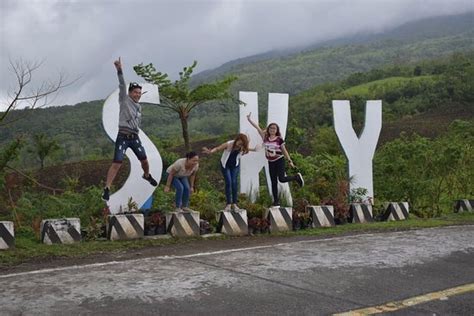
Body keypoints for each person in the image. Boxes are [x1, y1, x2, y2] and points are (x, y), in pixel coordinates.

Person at [102, 57, 158, 201]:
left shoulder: (139, 106)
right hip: (122, 136)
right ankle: (107, 188)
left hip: (134, 137)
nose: (137, 95)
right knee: (117, 163)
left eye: (139, 93)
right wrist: (119, 70)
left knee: (145, 161)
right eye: (135, 92)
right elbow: (121, 85)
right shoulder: (124, 100)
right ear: (130, 93)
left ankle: (146, 175)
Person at [246, 112, 304, 207]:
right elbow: (257, 128)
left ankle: (296, 177)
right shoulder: (265, 138)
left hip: (279, 160)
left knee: (281, 179)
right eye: (271, 128)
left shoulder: (279, 139)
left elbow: (284, 150)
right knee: (273, 181)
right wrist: (249, 120)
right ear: (268, 129)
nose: (272, 129)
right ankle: (276, 201)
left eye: (274, 128)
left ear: (276, 130)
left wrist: (290, 161)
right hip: (270, 162)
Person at [202, 133, 252, 211]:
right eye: (239, 142)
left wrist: (249, 148)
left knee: (234, 182)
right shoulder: (229, 144)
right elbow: (218, 148)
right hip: (225, 165)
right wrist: (211, 151)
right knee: (228, 182)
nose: (240, 145)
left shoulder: (242, 147)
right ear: (237, 140)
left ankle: (235, 203)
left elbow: (247, 151)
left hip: (234, 166)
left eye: (242, 144)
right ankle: (228, 204)